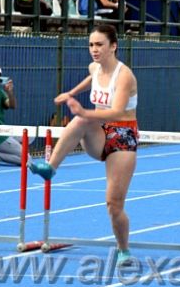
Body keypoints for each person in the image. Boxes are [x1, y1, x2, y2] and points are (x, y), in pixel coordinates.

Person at [30, 25, 139, 266]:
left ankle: (123, 250)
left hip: (123, 135)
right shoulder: (94, 67)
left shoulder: (125, 76)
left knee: (114, 204)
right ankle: (50, 168)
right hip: (98, 131)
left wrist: (84, 110)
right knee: (80, 120)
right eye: (91, 45)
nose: (94, 50)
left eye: (99, 45)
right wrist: (71, 92)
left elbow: (118, 110)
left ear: (113, 46)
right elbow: (92, 80)